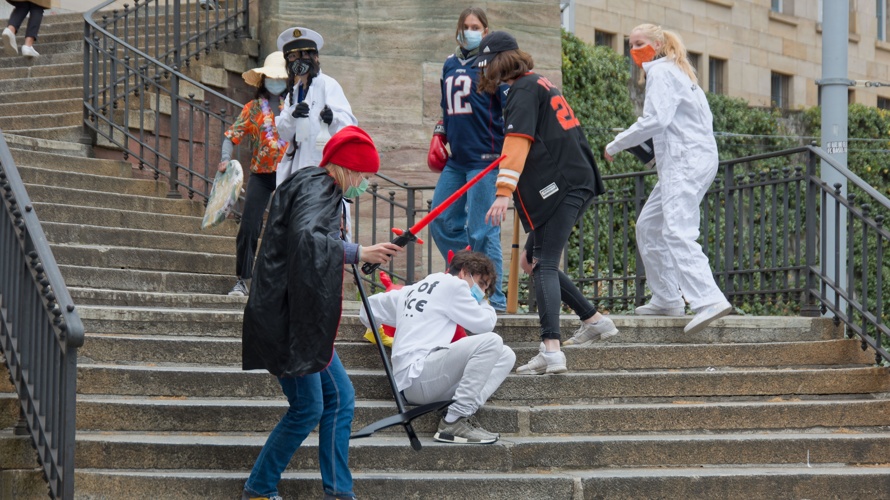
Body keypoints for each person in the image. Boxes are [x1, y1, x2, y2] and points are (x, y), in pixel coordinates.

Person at [240, 126, 403, 500]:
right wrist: (358, 252)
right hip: (289, 321)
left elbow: (308, 238)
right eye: (361, 174)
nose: (362, 183)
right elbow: (307, 238)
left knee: (340, 398)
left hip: (296, 318)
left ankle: (338, 492)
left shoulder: (311, 183)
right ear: (347, 168)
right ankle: (260, 488)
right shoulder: (321, 188)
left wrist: (355, 251)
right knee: (308, 407)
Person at [476, 31, 618, 375]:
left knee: (544, 264)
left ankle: (551, 350)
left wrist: (503, 191)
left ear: (498, 62)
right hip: (573, 179)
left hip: (563, 185)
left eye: (486, 65)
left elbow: (517, 140)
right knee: (531, 261)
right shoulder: (538, 82)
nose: (484, 73)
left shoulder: (523, 89)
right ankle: (594, 320)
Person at [604, 23, 732, 335]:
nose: (634, 50)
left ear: (658, 44)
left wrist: (617, 143)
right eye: (630, 44)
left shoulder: (661, 72)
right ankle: (667, 298)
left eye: (640, 43)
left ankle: (708, 299)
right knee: (649, 226)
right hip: (689, 159)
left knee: (677, 230)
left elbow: (656, 119)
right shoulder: (679, 71)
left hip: (685, 161)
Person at [358, 250, 515, 444]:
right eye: (481, 284)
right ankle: (455, 420)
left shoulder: (413, 289)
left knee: (506, 354)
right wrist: (484, 302)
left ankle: (459, 410)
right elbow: (485, 324)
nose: (481, 291)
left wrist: (381, 332)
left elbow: (368, 307)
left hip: (411, 384)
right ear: (464, 272)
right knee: (492, 341)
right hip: (420, 377)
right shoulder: (454, 285)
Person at [427, 6, 508, 312]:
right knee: (440, 220)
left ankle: (494, 298)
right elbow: (446, 107)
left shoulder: (493, 65)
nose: (470, 31)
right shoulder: (449, 63)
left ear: (485, 31)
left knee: (482, 230)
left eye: (476, 27)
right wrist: (439, 133)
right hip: (457, 158)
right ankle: (470, 275)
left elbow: (509, 108)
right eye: (466, 26)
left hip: (484, 158)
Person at [218, 51, 289, 297]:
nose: (275, 82)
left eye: (280, 78)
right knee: (249, 226)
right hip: (261, 174)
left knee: (284, 229)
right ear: (263, 80)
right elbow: (231, 136)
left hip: (288, 175)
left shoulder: (295, 107)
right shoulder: (253, 108)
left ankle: (278, 283)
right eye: (271, 77)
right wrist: (225, 159)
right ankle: (243, 280)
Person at [274, 26, 357, 187]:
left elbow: (349, 126)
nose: (299, 60)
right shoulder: (293, 94)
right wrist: (292, 116)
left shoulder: (329, 85)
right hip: (298, 169)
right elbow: (284, 133)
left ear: (315, 57)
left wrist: (333, 118)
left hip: (323, 167)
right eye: (293, 56)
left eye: (304, 54)